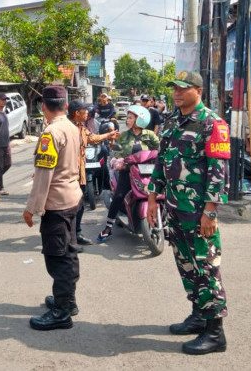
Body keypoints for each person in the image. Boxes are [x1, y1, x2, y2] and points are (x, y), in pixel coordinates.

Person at [147, 71, 229, 355]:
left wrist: (210, 211)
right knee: (186, 264)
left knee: (206, 267)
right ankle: (198, 315)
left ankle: (215, 332)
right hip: (173, 207)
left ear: (198, 91)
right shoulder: (171, 121)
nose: (177, 93)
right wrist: (152, 197)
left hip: (198, 211)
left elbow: (218, 171)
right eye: (174, 88)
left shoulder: (212, 123)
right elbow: (161, 161)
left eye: (183, 88)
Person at [23, 85, 82, 331]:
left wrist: (31, 208)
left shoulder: (51, 132)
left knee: (58, 257)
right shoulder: (71, 127)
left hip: (57, 203)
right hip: (73, 197)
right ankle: (68, 301)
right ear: (66, 106)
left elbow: (44, 174)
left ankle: (61, 312)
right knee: (68, 251)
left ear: (43, 107)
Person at [97, 105, 159, 242]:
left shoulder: (150, 135)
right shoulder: (123, 135)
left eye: (131, 118)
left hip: (147, 171)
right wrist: (117, 159)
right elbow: (117, 152)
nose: (128, 120)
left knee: (162, 193)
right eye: (128, 117)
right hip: (128, 171)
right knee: (119, 196)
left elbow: (158, 149)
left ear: (139, 120)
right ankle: (108, 228)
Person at [68, 99, 119, 246]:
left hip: (80, 173)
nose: (88, 113)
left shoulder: (80, 126)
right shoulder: (66, 128)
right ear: (77, 113)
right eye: (85, 111)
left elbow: (91, 138)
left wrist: (108, 136)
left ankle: (76, 234)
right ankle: (69, 240)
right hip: (68, 175)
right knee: (69, 208)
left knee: (79, 206)